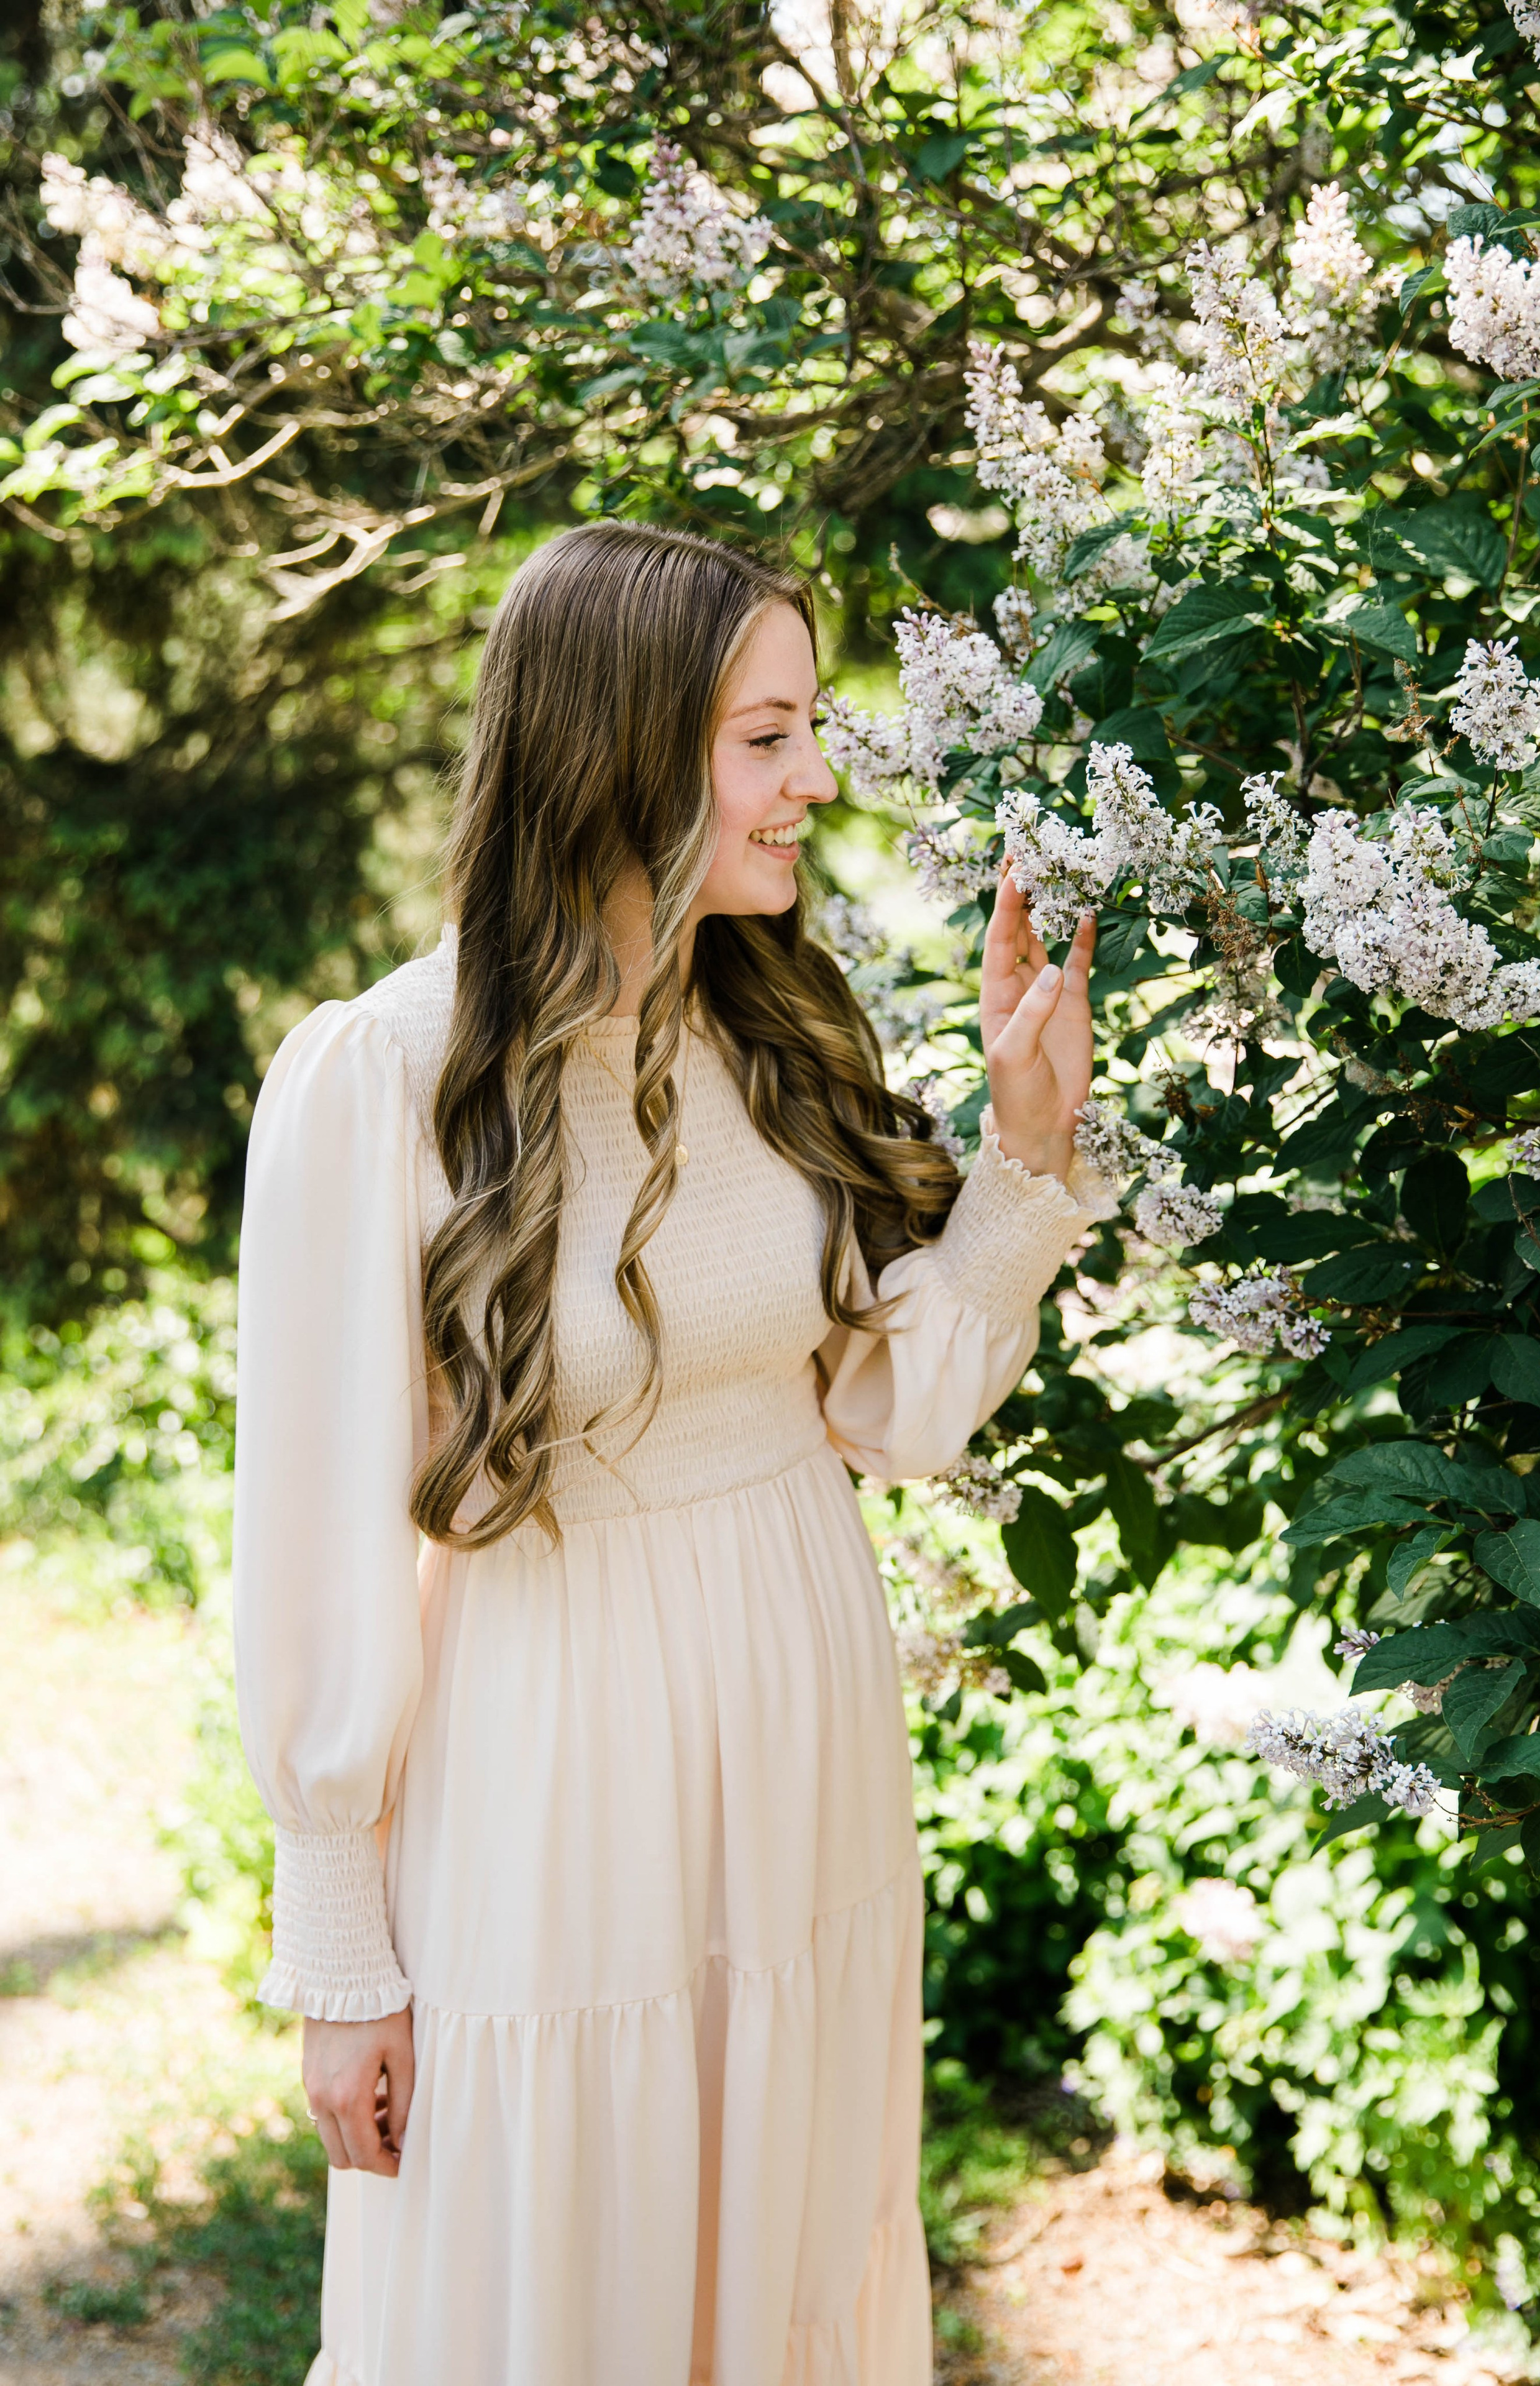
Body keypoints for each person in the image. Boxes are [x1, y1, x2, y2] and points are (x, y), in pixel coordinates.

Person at [232, 521, 1108, 2386]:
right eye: (765, 737)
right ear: (623, 747)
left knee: (787, 2262)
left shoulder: (768, 1024)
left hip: (803, 1756)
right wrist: (342, 1968)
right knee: (559, 2281)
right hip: (558, 1780)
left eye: (810, 727)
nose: (816, 779)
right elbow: (316, 1549)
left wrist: (1025, 1158)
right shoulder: (390, 1079)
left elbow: (899, 1410)